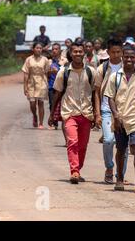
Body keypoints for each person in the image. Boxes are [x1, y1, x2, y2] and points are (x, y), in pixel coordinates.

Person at [48, 41, 98, 184]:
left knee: (82, 146)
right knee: (72, 142)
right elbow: (57, 94)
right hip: (69, 113)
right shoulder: (63, 72)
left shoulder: (91, 72)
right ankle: (74, 171)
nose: (77, 54)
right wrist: (52, 114)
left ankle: (78, 169)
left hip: (86, 114)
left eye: (80, 51)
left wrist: (97, 113)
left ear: (84, 53)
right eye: (75, 52)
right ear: (70, 53)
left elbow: (96, 94)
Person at [104, 44, 135, 195]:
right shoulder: (115, 77)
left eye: (132, 57)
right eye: (127, 57)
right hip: (120, 118)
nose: (129, 59)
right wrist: (116, 115)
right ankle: (119, 178)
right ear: (122, 58)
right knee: (121, 149)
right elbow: (110, 97)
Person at [94, 39, 129, 185]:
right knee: (108, 140)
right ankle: (109, 167)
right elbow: (96, 92)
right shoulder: (102, 68)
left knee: (123, 145)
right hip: (107, 110)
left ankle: (120, 174)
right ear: (108, 52)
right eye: (113, 52)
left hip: (125, 111)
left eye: (118, 52)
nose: (116, 55)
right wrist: (97, 113)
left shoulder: (128, 67)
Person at [23, 41, 51, 129]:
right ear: (33, 49)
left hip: (42, 81)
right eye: (37, 48)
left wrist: (48, 84)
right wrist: (25, 86)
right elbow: (26, 73)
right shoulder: (28, 59)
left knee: (41, 102)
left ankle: (41, 123)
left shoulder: (45, 60)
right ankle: (35, 115)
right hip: (31, 82)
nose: (39, 50)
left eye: (40, 48)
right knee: (32, 103)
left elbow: (47, 72)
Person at [48, 43, 67, 130]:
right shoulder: (49, 62)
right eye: (53, 49)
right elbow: (46, 73)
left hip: (62, 86)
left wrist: (58, 70)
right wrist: (50, 72)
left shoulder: (64, 61)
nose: (54, 51)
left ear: (60, 50)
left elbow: (66, 72)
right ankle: (54, 121)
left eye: (56, 49)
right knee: (52, 103)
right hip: (52, 85)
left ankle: (63, 120)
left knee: (61, 103)